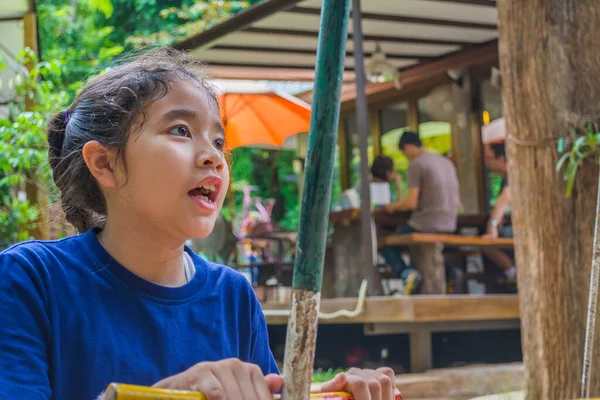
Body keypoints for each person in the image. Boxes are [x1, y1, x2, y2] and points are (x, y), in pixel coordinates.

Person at [0, 50, 398, 400]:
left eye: (218, 141)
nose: (214, 157)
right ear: (105, 163)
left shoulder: (233, 296)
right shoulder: (32, 279)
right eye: (181, 130)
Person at [380, 131, 460, 295]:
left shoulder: (417, 164)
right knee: (417, 245)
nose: (405, 157)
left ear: (408, 147)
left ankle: (406, 273)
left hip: (426, 223)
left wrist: (391, 207)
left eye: (404, 153)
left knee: (386, 243)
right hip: (450, 223)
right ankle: (450, 271)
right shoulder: (446, 163)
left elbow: (411, 202)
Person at [482, 141, 516, 285]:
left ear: (501, 159)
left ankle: (512, 275)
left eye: (489, 158)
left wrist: (493, 225)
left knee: (487, 242)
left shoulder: (513, 175)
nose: (487, 163)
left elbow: (504, 199)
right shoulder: (506, 178)